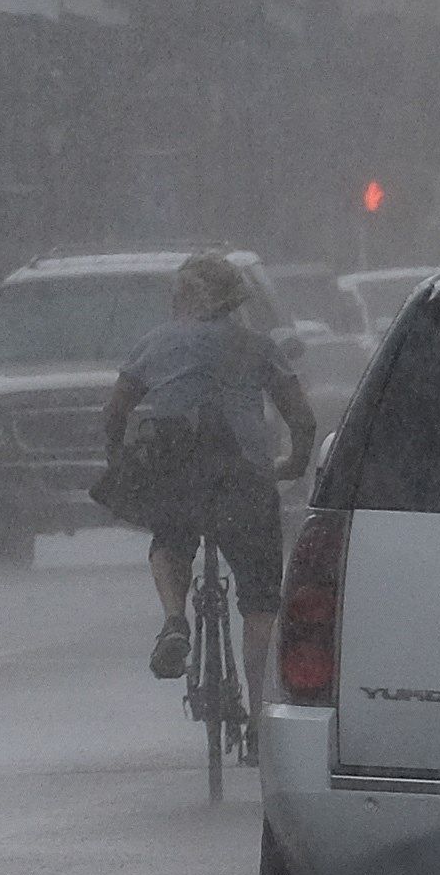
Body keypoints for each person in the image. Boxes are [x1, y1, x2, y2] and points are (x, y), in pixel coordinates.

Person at [100, 254, 318, 691]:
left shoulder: (154, 344)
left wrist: (117, 460)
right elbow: (303, 420)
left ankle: (175, 620)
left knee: (170, 542)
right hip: (245, 479)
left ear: (181, 298)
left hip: (178, 472)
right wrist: (293, 464)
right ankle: (258, 717)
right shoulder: (257, 346)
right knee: (259, 604)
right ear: (235, 300)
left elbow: (115, 412)